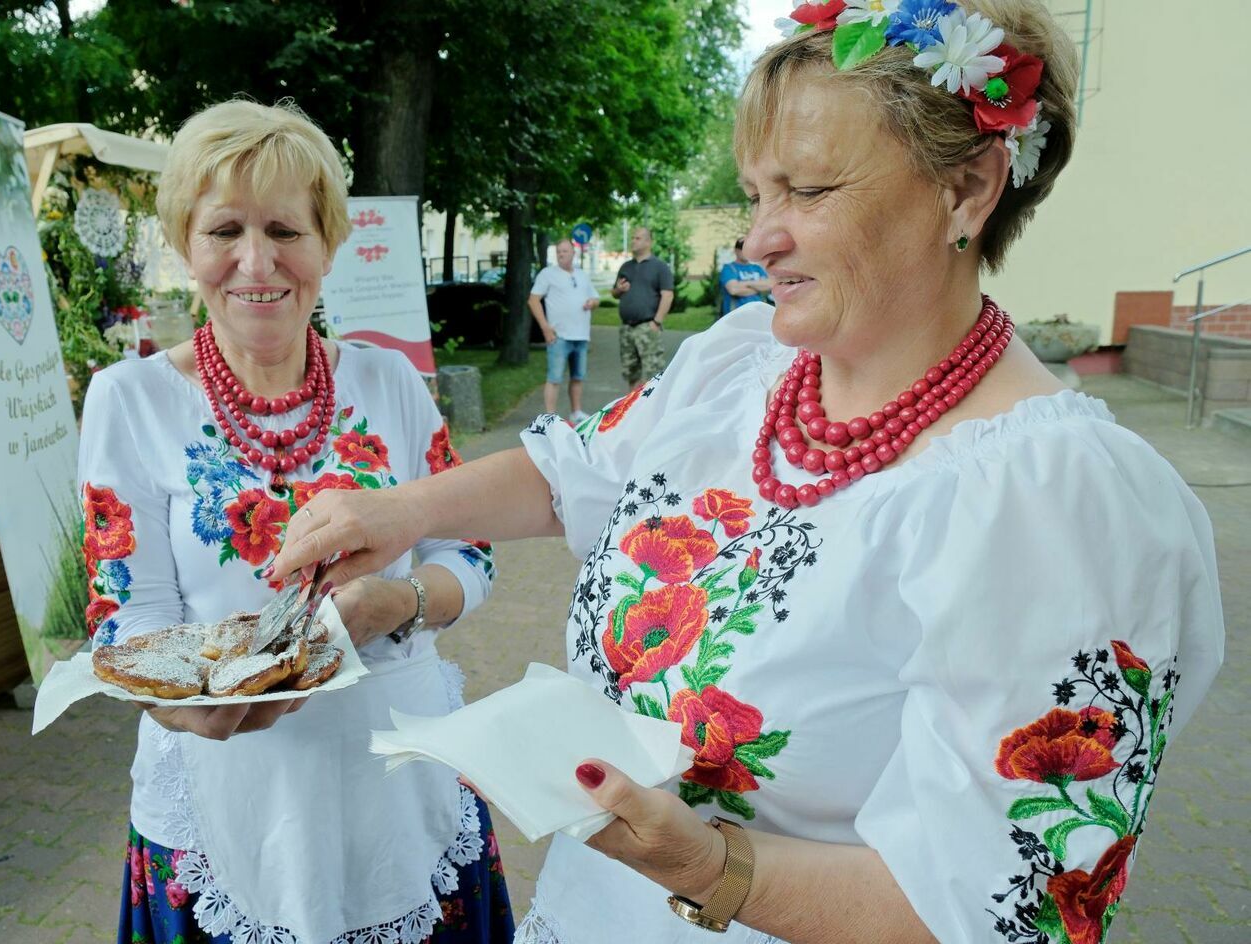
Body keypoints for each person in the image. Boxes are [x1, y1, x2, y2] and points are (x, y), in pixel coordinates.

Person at [268, 3, 1225, 942]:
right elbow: (574, 471)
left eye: (808, 192)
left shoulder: (1054, 507)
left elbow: (1000, 908)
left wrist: (709, 868)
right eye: (757, 194)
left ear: (968, 189)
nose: (760, 237)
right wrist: (393, 512)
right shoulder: (741, 367)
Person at [78, 99, 513, 944]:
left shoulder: (389, 383)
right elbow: (123, 608)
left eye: (285, 229)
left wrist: (402, 603)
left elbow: (472, 552)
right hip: (227, 777)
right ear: (183, 243)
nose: (255, 261)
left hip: (398, 771)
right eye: (224, 230)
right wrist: (178, 703)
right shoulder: (129, 400)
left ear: (328, 243)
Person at [529, 238, 600, 422]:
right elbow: (533, 300)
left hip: (581, 335)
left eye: (565, 251)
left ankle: (576, 412)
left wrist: (591, 302)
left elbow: (595, 298)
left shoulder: (582, 275)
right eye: (559, 251)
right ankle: (550, 417)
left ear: (573, 253)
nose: (561, 254)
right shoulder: (547, 274)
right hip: (559, 336)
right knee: (554, 378)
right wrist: (545, 327)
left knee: (578, 377)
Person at [611, 226, 673, 388]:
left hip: (647, 327)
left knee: (652, 375)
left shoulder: (660, 267)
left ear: (648, 242)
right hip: (627, 329)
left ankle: (651, 411)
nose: (633, 241)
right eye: (632, 238)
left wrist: (656, 322)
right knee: (631, 373)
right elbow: (614, 293)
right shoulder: (626, 267)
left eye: (637, 238)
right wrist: (619, 289)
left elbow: (667, 295)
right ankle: (632, 410)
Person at [718, 236, 772, 317]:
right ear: (736, 251)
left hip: (758, 314)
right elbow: (734, 290)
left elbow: (770, 285)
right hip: (736, 316)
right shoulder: (729, 268)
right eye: (742, 249)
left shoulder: (757, 268)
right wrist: (758, 288)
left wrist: (745, 283)